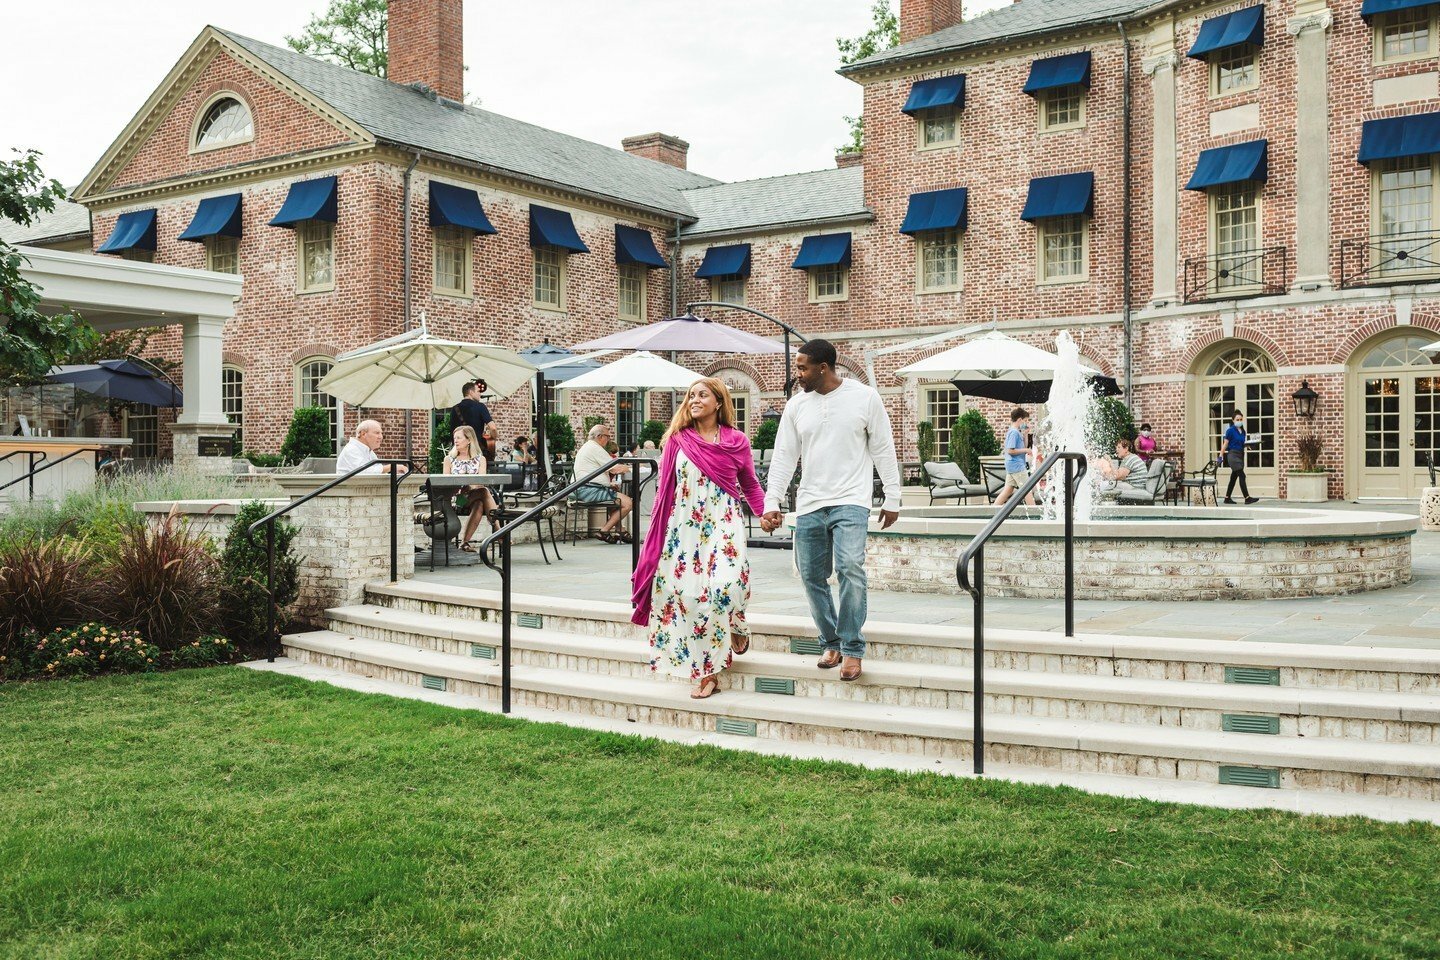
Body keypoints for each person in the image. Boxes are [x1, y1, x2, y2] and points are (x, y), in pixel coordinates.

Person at [760, 339, 901, 683]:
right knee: (811, 577)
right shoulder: (797, 406)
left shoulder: (864, 397)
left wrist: (893, 496)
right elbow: (783, 457)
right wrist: (771, 501)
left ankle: (852, 648)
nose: (798, 374)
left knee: (851, 567)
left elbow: (883, 447)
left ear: (823, 368)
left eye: (803, 367)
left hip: (851, 499)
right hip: (810, 502)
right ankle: (831, 641)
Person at [632, 378, 766, 700]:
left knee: (727, 586)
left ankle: (737, 620)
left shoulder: (737, 440)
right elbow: (665, 490)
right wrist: (657, 535)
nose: (694, 400)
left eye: (702, 395)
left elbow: (749, 483)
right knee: (690, 597)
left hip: (724, 521)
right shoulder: (677, 440)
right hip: (685, 526)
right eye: (691, 395)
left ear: (718, 402)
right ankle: (707, 672)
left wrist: (763, 512)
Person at [572, 423, 634, 543]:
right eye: (607, 436)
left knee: (616, 496)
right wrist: (631, 468)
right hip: (588, 490)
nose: (609, 439)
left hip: (584, 487)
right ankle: (604, 531)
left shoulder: (588, 447)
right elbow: (615, 468)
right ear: (600, 436)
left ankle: (620, 530)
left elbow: (591, 471)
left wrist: (609, 484)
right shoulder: (595, 448)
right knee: (628, 503)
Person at [445, 425, 499, 551]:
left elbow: (481, 482)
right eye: (454, 438)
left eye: (459, 438)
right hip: (458, 500)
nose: (455, 441)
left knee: (480, 503)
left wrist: (469, 487)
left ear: (469, 440)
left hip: (474, 496)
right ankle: (499, 533)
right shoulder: (449, 459)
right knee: (484, 492)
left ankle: (464, 543)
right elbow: (446, 484)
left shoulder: (480, 459)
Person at [993, 408, 1035, 507]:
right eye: (1025, 421)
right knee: (1026, 489)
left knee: (1007, 490)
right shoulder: (1014, 433)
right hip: (1017, 466)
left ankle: (992, 511)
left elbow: (1023, 446)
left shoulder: (1016, 432)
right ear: (1020, 419)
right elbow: (1010, 451)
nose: (1026, 423)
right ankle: (1035, 514)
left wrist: (1025, 434)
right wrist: (1026, 450)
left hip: (1013, 465)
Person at [335, 420, 408, 475]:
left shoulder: (368, 451)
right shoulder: (351, 449)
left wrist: (393, 471)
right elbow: (363, 472)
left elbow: (376, 471)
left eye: (381, 433)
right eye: (377, 433)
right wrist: (391, 467)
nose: (381, 437)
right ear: (363, 434)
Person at [1221, 409, 1259, 504]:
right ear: (1233, 420)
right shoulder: (1230, 431)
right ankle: (1247, 498)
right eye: (1237, 419)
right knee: (1242, 475)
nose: (1239, 421)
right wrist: (1220, 456)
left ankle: (1227, 498)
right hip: (1232, 455)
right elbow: (1225, 444)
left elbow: (1241, 443)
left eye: (1241, 419)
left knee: (1233, 477)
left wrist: (1248, 445)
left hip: (1240, 454)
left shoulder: (1243, 431)